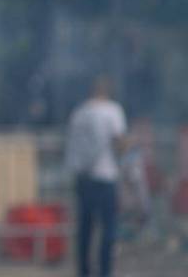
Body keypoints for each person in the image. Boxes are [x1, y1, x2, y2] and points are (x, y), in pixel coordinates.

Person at [66, 76, 127, 277]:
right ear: (107, 91)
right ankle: (105, 272)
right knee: (108, 229)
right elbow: (119, 144)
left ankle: (84, 272)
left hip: (82, 177)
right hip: (105, 175)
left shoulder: (79, 113)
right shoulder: (112, 111)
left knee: (85, 229)